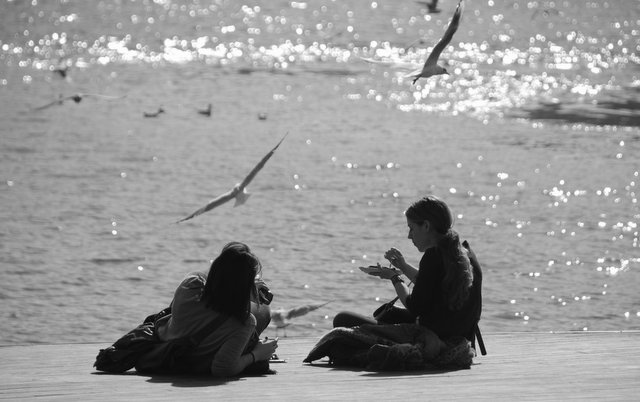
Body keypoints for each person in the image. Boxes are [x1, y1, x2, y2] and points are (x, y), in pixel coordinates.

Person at [333, 195, 483, 343]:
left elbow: (414, 306)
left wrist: (394, 278)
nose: (409, 236)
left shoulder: (433, 256)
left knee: (343, 319)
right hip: (459, 334)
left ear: (426, 226)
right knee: (388, 313)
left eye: (411, 228)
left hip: (434, 338)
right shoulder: (464, 254)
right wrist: (403, 266)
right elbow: (430, 285)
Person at [136, 242, 278, 377]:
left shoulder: (190, 284)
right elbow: (223, 369)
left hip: (162, 349)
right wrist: (256, 354)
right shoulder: (244, 322)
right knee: (263, 310)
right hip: (193, 364)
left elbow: (215, 291)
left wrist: (242, 286)